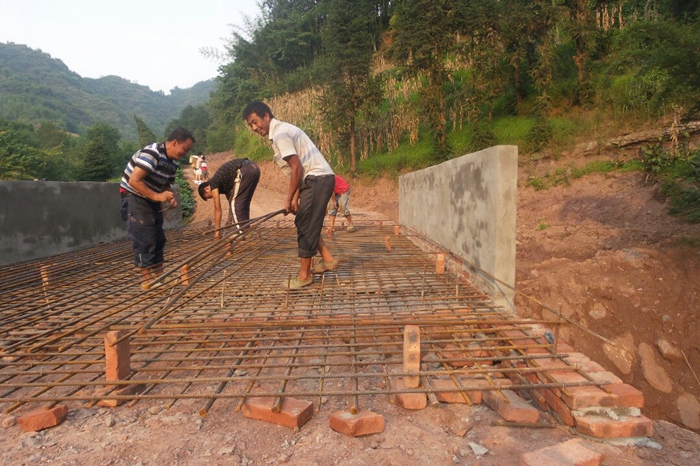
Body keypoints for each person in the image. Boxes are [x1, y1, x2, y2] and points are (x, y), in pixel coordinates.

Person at [243, 101, 337, 290]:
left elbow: (297, 168)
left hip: (317, 178)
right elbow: (299, 170)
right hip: (316, 179)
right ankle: (328, 259)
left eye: (255, 122)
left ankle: (304, 276)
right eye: (250, 125)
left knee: (306, 225)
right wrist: (295, 198)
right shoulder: (281, 131)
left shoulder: (280, 133)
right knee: (305, 221)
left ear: (266, 116)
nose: (254, 128)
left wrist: (288, 198)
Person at [120, 127, 195, 289]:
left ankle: (159, 278)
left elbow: (166, 185)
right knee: (145, 237)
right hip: (134, 196)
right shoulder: (152, 153)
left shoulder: (173, 162)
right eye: (185, 149)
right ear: (175, 142)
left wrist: (169, 198)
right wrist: (156, 196)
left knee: (159, 238)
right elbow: (134, 181)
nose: (185, 153)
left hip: (149, 198)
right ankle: (147, 281)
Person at [198, 159, 261, 239]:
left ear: (206, 189)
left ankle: (242, 232)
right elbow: (231, 201)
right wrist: (229, 219)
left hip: (245, 170)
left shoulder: (213, 184)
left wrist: (217, 231)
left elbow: (217, 209)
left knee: (237, 203)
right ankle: (246, 230)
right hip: (254, 168)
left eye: (210, 196)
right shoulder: (223, 184)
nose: (213, 197)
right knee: (243, 202)